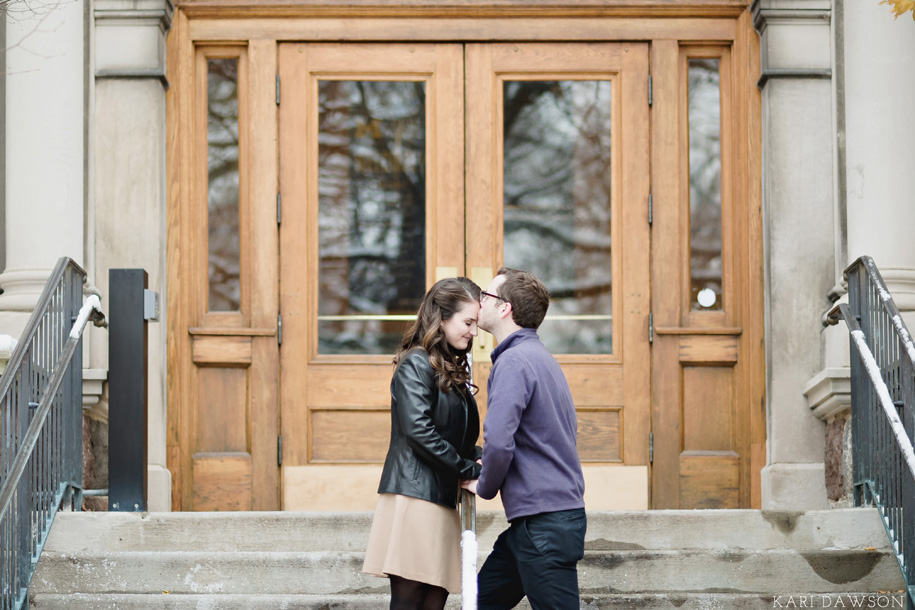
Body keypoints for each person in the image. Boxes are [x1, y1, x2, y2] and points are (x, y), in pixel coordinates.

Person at [461, 267, 587, 610]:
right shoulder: (541, 358)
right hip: (534, 525)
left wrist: (484, 484)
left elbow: (500, 441)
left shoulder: (515, 361)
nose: (479, 302)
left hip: (545, 524)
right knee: (479, 603)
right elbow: (537, 437)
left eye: (486, 296)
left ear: (505, 308)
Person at [363, 277, 484, 610]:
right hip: (415, 496)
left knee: (434, 599)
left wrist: (478, 457)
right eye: (468, 322)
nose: (474, 332)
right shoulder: (416, 363)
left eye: (476, 324)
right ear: (442, 318)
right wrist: (468, 468)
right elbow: (419, 432)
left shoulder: (447, 369)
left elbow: (454, 434)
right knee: (411, 599)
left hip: (441, 498)